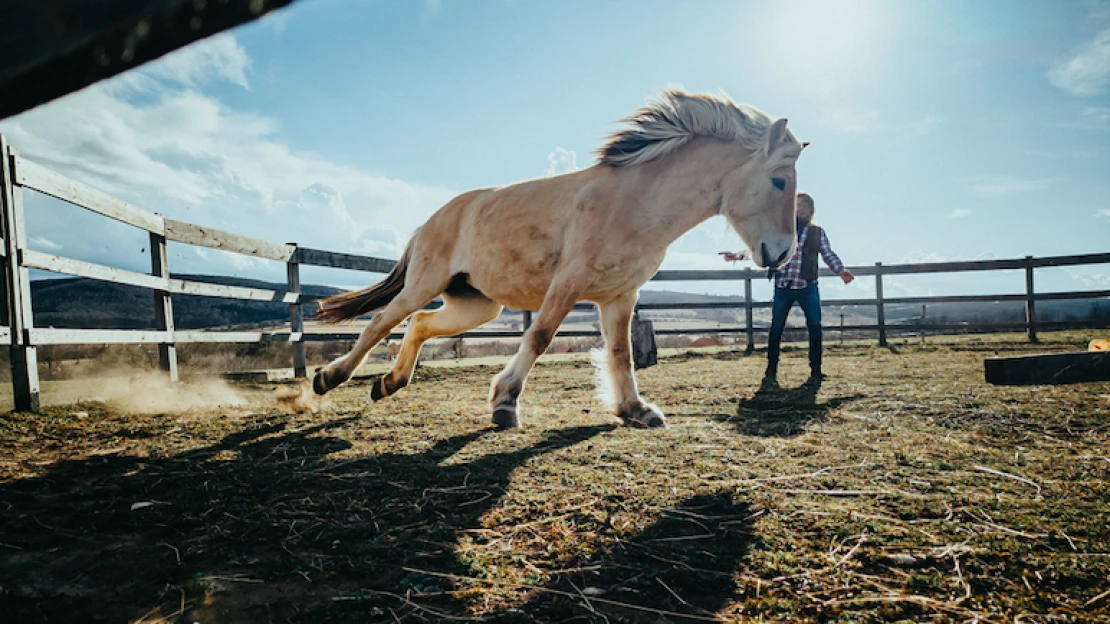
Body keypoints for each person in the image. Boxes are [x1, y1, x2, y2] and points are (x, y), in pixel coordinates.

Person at [721, 191, 854, 385]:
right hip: (783, 286)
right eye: (796, 205)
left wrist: (841, 271)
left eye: (804, 206)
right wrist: (736, 256)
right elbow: (760, 248)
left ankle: (816, 369)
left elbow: (828, 254)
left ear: (810, 210)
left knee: (815, 326)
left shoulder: (817, 232)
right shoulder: (780, 230)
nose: (800, 209)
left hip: (807, 286)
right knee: (776, 328)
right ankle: (771, 369)